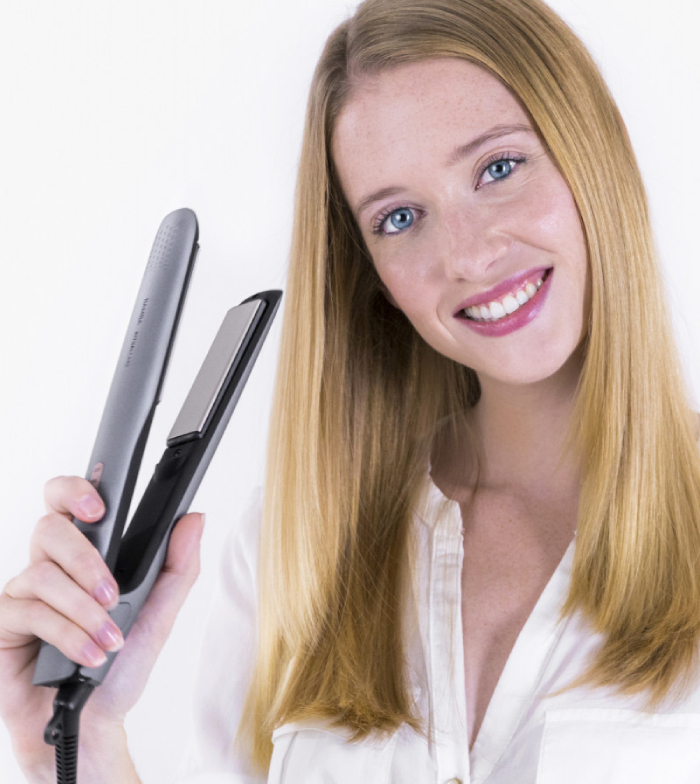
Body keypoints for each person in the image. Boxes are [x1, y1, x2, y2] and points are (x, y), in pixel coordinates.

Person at [2, 0, 700, 781]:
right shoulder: (295, 546)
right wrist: (79, 744)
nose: (468, 257)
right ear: (373, 277)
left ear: (597, 145)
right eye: (400, 217)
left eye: (499, 168)